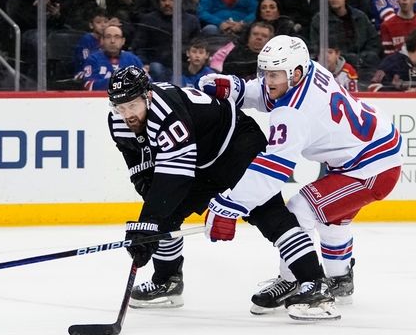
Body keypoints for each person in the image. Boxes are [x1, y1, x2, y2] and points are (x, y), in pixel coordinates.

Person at [199, 35, 402, 319]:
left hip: (371, 167)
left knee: (300, 208)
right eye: (265, 72)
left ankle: (300, 280)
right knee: (331, 217)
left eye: (274, 74)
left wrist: (230, 206)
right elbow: (272, 90)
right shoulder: (310, 69)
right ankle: (340, 278)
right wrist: (239, 89)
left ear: (295, 73)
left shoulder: (292, 113)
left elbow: (271, 170)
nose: (268, 80)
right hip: (367, 152)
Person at [107, 66, 329, 321]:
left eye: (132, 105)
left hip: (238, 146)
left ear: (148, 95)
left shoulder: (167, 113)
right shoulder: (119, 120)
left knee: (270, 216)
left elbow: (174, 177)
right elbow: (138, 161)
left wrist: (147, 222)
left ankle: (316, 286)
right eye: (120, 107)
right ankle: (167, 282)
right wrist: (150, 220)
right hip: (200, 160)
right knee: (164, 217)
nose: (127, 114)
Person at [309, 0, 382, 78]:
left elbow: (374, 43)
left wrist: (362, 58)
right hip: (333, 68)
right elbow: (315, 47)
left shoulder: (360, 17)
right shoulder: (320, 20)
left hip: (363, 65)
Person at [132, 0, 201, 82]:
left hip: (183, 65)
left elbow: (197, 45)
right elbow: (139, 46)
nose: (167, 3)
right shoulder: (149, 20)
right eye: (163, 0)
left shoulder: (191, 21)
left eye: (171, 0)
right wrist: (145, 63)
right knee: (156, 68)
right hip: (157, 64)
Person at [82, 24, 143, 90]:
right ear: (102, 40)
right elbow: (88, 85)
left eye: (117, 37)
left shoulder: (133, 59)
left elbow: (148, 82)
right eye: (108, 37)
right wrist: (117, 81)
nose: (112, 41)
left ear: (123, 41)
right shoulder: (93, 59)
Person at [74, 7, 110, 74]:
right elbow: (86, 62)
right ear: (91, 25)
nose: (103, 25)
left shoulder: (109, 39)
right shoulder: (86, 40)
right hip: (86, 73)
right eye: (98, 22)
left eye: (106, 22)